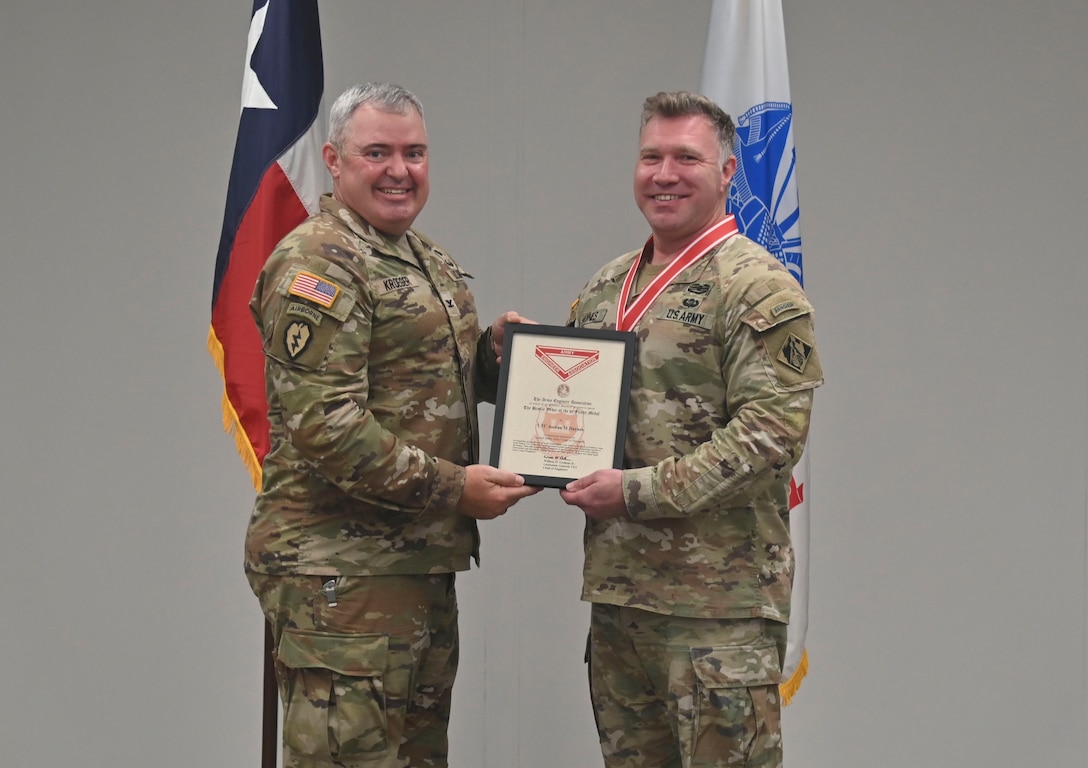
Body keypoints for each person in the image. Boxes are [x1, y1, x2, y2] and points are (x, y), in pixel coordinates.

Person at [245, 82, 537, 768]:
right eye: (377, 152)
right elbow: (327, 423)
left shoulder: (420, 257)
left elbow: (420, 382)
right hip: (341, 580)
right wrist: (453, 488)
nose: (399, 170)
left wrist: (496, 362)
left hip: (411, 570)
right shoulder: (321, 262)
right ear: (335, 161)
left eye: (414, 152)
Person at [560, 91, 823, 767]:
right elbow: (564, 400)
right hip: (621, 603)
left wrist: (636, 493)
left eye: (686, 157)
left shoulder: (760, 290)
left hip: (718, 613)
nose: (665, 174)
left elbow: (769, 438)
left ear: (728, 172)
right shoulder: (605, 286)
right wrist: (504, 366)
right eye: (651, 156)